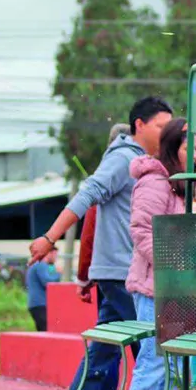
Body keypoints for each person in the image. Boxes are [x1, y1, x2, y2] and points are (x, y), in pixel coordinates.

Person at [30, 96, 173, 390]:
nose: (165, 133)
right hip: (124, 272)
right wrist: (49, 237)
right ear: (140, 124)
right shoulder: (124, 159)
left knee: (105, 349)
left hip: (115, 272)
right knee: (152, 344)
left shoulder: (145, 162)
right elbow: (88, 195)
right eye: (160, 126)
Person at [126, 118, 190, 390]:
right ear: (174, 147)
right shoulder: (155, 181)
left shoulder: (191, 184)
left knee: (174, 360)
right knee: (154, 359)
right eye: (192, 148)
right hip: (156, 286)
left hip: (182, 288)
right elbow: (142, 230)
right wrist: (172, 265)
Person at [74, 124, 132, 305]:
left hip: (111, 271)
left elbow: (89, 233)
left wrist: (83, 277)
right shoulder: (136, 173)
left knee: (111, 327)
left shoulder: (106, 176)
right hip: (129, 271)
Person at [25, 251, 60, 332]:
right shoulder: (41, 264)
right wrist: (58, 274)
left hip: (37, 304)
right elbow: (48, 282)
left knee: (43, 332)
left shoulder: (42, 265)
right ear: (49, 253)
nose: (56, 258)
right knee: (46, 331)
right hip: (40, 304)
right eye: (55, 255)